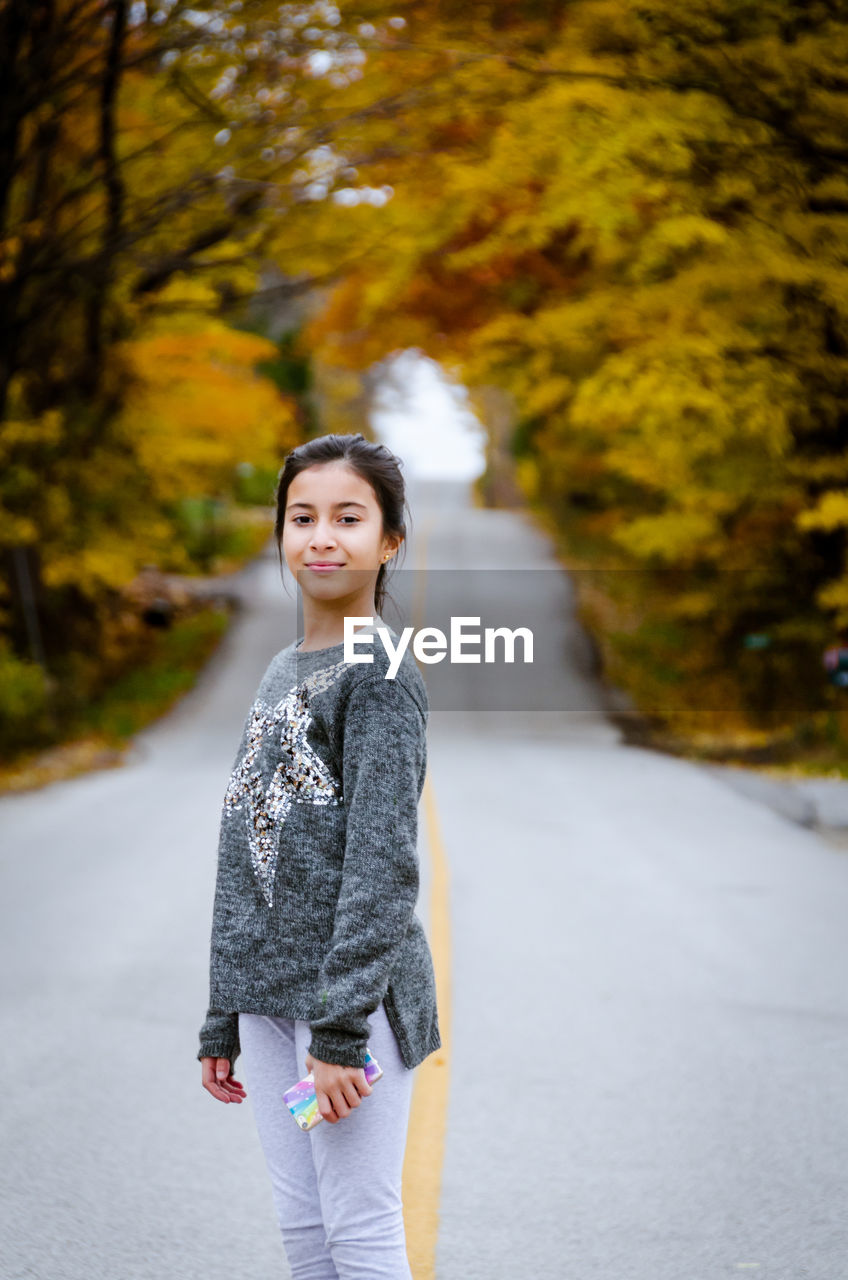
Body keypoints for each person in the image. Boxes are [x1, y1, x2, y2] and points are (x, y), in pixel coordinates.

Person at [197, 432, 441, 1280]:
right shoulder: (282, 667)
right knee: (305, 1229)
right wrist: (224, 1008)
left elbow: (383, 868)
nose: (321, 537)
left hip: (350, 1009)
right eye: (302, 517)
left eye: (348, 517)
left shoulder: (378, 675)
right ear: (281, 534)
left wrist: (338, 1033)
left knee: (359, 1231)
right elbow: (247, 853)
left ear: (389, 541)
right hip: (268, 1009)